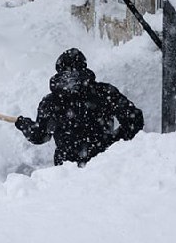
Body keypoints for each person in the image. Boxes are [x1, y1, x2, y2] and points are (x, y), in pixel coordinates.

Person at [15, 48, 144, 167]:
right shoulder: (105, 92)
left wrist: (24, 124)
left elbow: (39, 135)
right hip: (105, 164)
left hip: (67, 171)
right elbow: (134, 120)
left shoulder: (50, 102)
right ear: (84, 66)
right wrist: (115, 142)